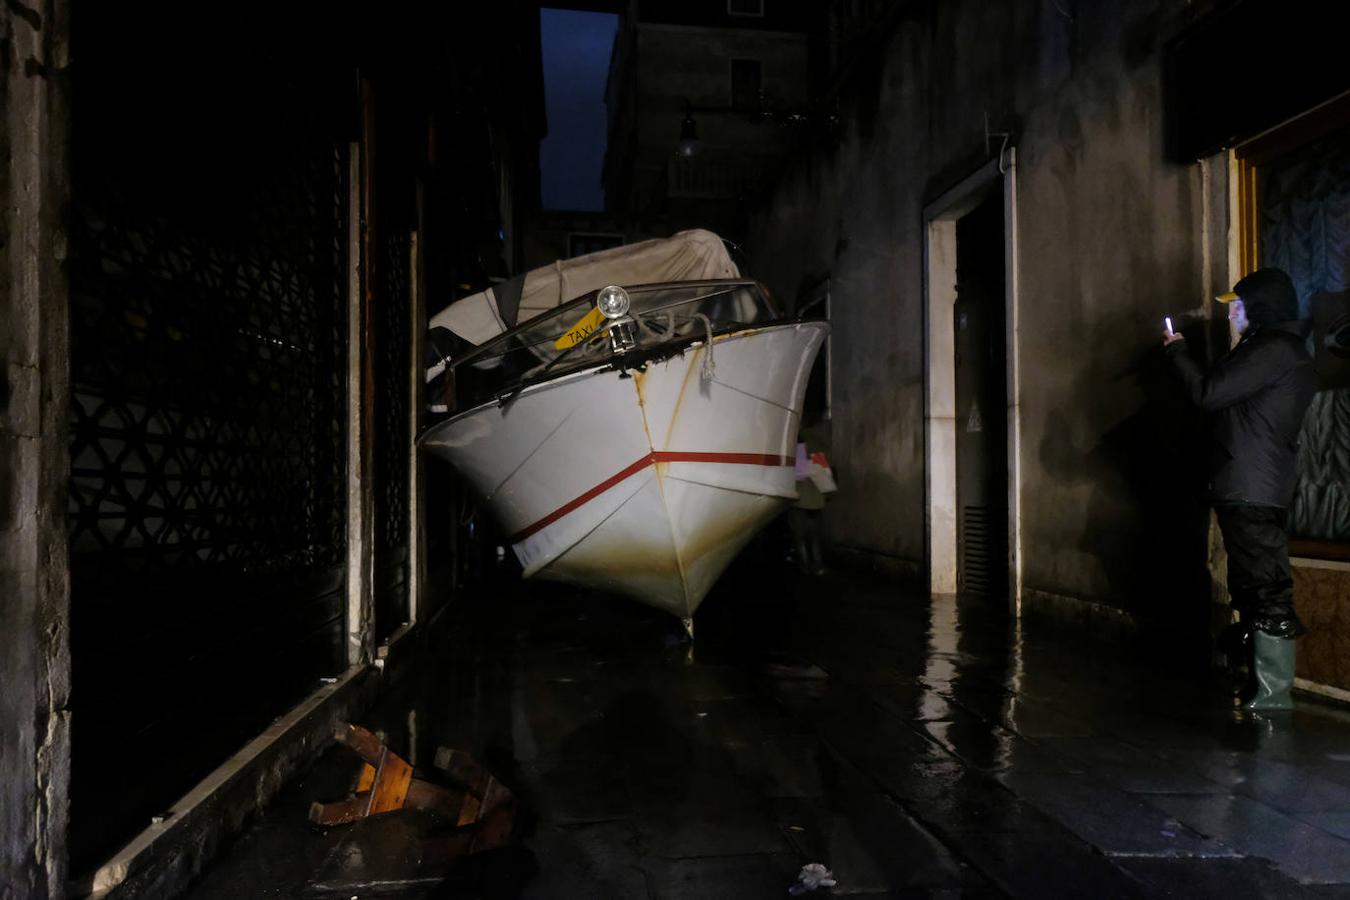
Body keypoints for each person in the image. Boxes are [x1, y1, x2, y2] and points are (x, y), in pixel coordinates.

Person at [1163, 267, 1316, 710]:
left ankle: (1272, 697)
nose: (1233, 316)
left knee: (1265, 586)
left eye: (1240, 307)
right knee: (1252, 584)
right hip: (1249, 483)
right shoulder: (1273, 350)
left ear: (1261, 308)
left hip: (1253, 486)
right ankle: (1258, 686)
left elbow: (1209, 393)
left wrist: (1177, 353)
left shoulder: (1273, 350)